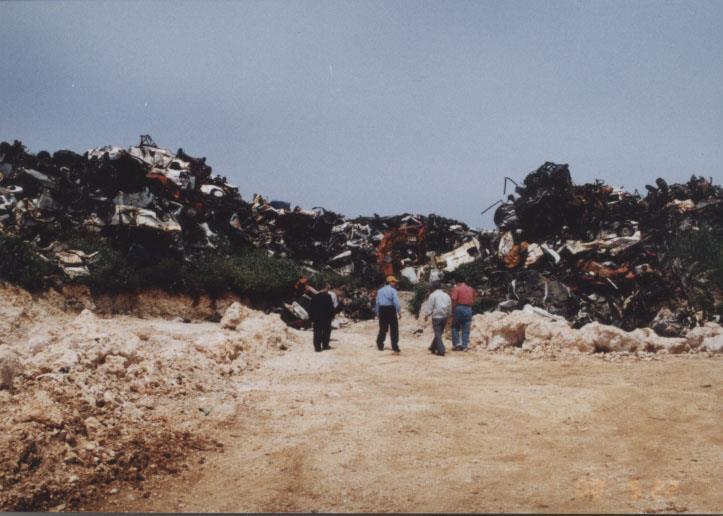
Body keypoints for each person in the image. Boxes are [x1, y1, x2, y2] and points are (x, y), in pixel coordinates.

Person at [423, 282, 452, 356]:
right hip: (444, 316)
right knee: (439, 333)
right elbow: (449, 306)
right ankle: (433, 347)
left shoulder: (433, 295)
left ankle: (441, 350)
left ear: (433, 288)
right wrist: (449, 315)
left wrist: (426, 315)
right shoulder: (446, 295)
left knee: (438, 333)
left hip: (436, 317)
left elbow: (430, 306)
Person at [375, 275, 402, 353]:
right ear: (390, 282)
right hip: (390, 309)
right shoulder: (393, 291)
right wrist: (399, 312)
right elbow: (396, 302)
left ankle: (380, 344)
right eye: (394, 282)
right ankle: (395, 346)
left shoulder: (379, 291)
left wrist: (377, 312)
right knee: (394, 328)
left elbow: (377, 303)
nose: (395, 283)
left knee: (383, 328)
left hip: (382, 309)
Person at [308, 285, 335, 352]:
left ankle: (317, 347)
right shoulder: (328, 297)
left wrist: (312, 317)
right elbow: (330, 308)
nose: (328, 290)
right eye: (327, 288)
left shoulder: (314, 297)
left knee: (317, 332)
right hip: (326, 317)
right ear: (325, 288)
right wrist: (332, 316)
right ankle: (325, 345)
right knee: (326, 331)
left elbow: (310, 308)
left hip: (316, 318)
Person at [451, 279, 475, 351]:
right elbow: (473, 299)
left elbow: (454, 299)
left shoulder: (457, 288)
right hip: (469, 309)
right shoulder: (471, 289)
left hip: (459, 307)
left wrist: (453, 309)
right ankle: (465, 346)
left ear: (458, 282)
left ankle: (456, 344)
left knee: (455, 327)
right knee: (466, 328)